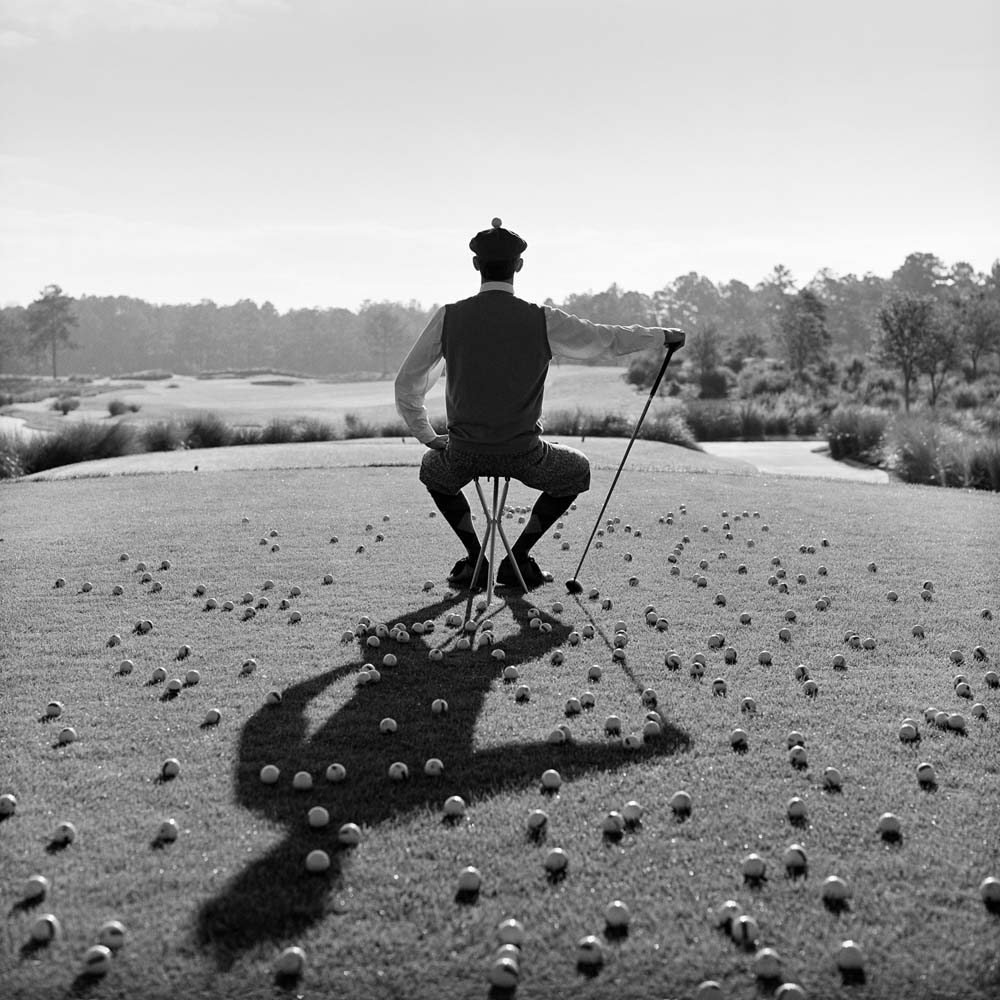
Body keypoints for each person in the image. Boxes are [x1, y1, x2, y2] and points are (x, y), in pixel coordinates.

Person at [394, 218, 685, 590]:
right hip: (525, 454)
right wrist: (662, 336)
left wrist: (428, 436)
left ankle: (475, 559)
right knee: (576, 470)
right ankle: (518, 557)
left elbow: (407, 383)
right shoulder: (542, 318)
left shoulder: (449, 316)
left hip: (462, 453)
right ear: (519, 265)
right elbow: (605, 339)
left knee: (432, 470)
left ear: (476, 265)